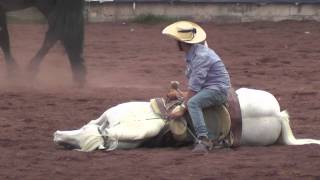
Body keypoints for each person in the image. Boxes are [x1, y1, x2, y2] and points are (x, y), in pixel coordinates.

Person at [162, 21, 231, 153]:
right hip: (211, 88)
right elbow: (196, 87)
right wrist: (180, 94)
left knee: (193, 103)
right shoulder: (196, 53)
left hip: (218, 90)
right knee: (190, 99)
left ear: (181, 42)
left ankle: (204, 140)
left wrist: (182, 109)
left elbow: (195, 88)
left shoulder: (200, 57)